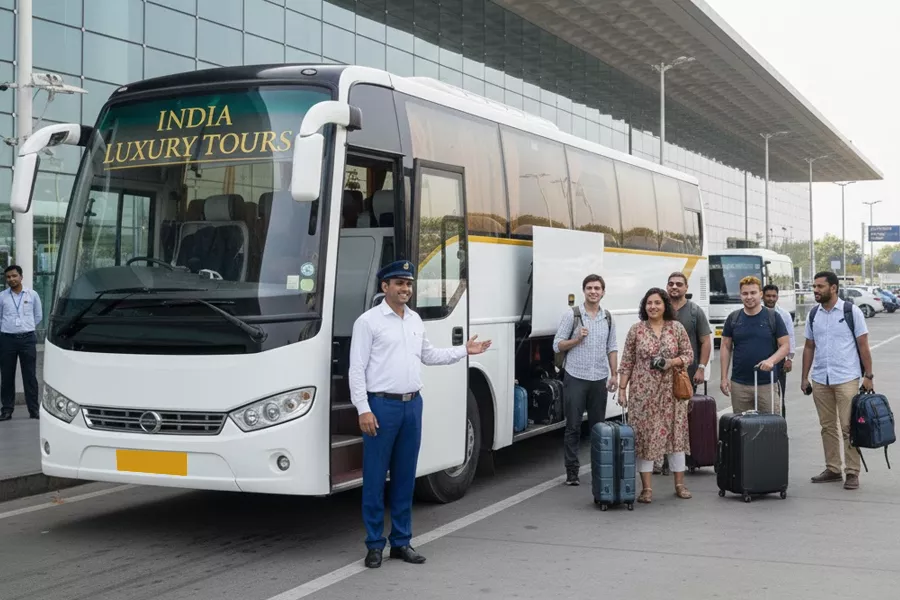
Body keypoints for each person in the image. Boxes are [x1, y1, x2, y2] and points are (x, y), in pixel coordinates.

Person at [348, 259, 491, 568]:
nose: (406, 288)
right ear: (385, 287)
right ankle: (374, 544)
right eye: (399, 283)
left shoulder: (414, 320)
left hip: (412, 405)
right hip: (381, 407)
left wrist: (465, 351)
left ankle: (401, 542)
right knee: (374, 479)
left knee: (404, 478)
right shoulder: (368, 322)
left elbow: (429, 355)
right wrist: (363, 409)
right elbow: (356, 369)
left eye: (409, 283)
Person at [618, 287, 694, 504]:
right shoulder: (636, 330)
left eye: (657, 303)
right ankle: (647, 489)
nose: (653, 307)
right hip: (643, 394)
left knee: (675, 436)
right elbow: (627, 361)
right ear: (644, 306)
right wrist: (622, 389)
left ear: (665, 305)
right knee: (644, 438)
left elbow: (688, 354)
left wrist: (672, 362)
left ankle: (680, 484)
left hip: (672, 392)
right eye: (649, 303)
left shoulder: (676, 328)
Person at [801, 271, 873, 491]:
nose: (815, 290)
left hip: (846, 378)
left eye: (820, 286)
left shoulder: (851, 312)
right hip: (821, 378)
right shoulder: (814, 314)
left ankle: (852, 472)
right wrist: (804, 377)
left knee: (848, 427)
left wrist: (868, 375)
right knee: (827, 427)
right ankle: (833, 468)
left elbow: (863, 345)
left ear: (833, 288)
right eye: (814, 286)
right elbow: (809, 346)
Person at [552, 274, 618, 486]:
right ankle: (572, 472)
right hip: (576, 377)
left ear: (603, 292)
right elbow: (557, 345)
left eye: (597, 288)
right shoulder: (572, 315)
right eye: (589, 288)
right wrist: (577, 339)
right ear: (584, 291)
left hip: (599, 377)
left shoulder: (607, 317)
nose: (593, 292)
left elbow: (612, 347)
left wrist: (614, 373)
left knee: (598, 428)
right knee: (573, 426)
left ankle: (600, 469)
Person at [655, 271, 712, 475]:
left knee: (680, 419)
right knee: (660, 417)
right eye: (671, 284)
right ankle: (660, 459)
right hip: (659, 377)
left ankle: (681, 459)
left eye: (679, 284)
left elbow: (706, 341)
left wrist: (701, 368)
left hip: (685, 376)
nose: (674, 287)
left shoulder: (695, 312)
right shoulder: (659, 308)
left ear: (686, 288)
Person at [719, 276, 790, 415]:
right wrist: (723, 378)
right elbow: (725, 347)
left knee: (770, 427)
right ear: (740, 295)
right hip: (739, 385)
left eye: (753, 293)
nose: (749, 297)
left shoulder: (773, 317)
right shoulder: (733, 318)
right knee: (742, 429)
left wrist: (771, 361)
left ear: (760, 294)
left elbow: (785, 345)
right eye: (745, 293)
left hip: (767, 383)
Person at [0, 265, 42, 421]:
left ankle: (34, 410)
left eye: (14, 276)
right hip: (7, 340)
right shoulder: (2, 296)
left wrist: (26, 327)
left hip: (27, 339)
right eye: (8, 277)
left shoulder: (32, 295)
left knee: (30, 375)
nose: (11, 279)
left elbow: (38, 316)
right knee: (7, 376)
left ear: (21, 277)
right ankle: (6, 410)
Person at [762, 283, 796, 416]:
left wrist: (789, 359)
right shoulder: (754, 312)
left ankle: (780, 428)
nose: (771, 299)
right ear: (762, 296)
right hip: (760, 360)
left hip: (779, 361)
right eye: (768, 296)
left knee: (779, 395)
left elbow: (790, 337)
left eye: (774, 296)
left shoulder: (784, 315)